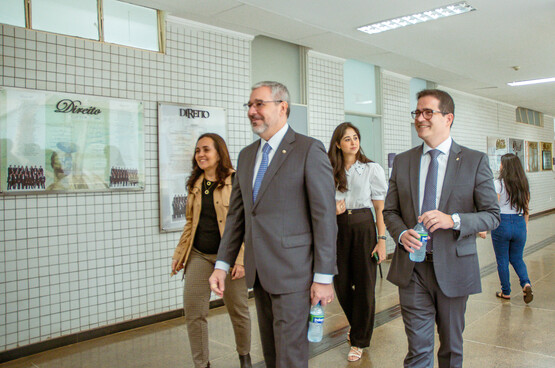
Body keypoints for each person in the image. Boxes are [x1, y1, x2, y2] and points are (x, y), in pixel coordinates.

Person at [208, 81, 337, 368]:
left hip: (295, 274)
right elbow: (238, 217)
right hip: (260, 274)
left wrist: (324, 276)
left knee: (290, 357)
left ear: (282, 107)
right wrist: (222, 264)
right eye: (249, 105)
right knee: (272, 354)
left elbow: (324, 217)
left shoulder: (308, 150)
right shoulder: (247, 156)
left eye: (259, 104)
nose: (252, 111)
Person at [384, 89, 500, 368]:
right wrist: (401, 234)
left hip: (454, 268)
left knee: (450, 349)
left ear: (448, 118)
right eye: (417, 113)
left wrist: (455, 220)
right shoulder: (403, 161)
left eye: (428, 113)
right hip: (412, 269)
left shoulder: (474, 161)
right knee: (418, 351)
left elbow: (492, 216)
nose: (420, 119)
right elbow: (390, 211)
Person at [171, 133, 252, 368]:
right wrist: (180, 254)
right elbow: (190, 223)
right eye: (198, 151)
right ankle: (202, 364)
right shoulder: (195, 184)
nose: (201, 155)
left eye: (206, 149)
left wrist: (241, 258)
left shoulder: (236, 181)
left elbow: (246, 223)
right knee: (194, 312)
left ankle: (244, 358)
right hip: (199, 254)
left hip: (229, 257)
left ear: (219, 153)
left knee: (239, 311)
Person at [327, 122, 387, 362]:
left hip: (363, 225)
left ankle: (359, 340)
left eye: (356, 137)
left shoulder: (372, 169)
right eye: (347, 139)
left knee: (364, 285)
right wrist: (332, 209)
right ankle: (358, 324)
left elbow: (380, 209)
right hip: (337, 228)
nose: (353, 142)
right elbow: (319, 202)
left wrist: (382, 240)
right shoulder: (329, 169)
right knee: (340, 283)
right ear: (338, 144)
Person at [490, 153, 533, 303]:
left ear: (505, 166)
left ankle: (506, 291)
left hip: (502, 223)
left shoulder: (499, 183)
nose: (500, 166)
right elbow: (526, 207)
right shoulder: (524, 183)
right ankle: (526, 283)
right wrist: (525, 226)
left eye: (501, 163)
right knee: (517, 258)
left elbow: (494, 207)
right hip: (520, 221)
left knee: (502, 259)